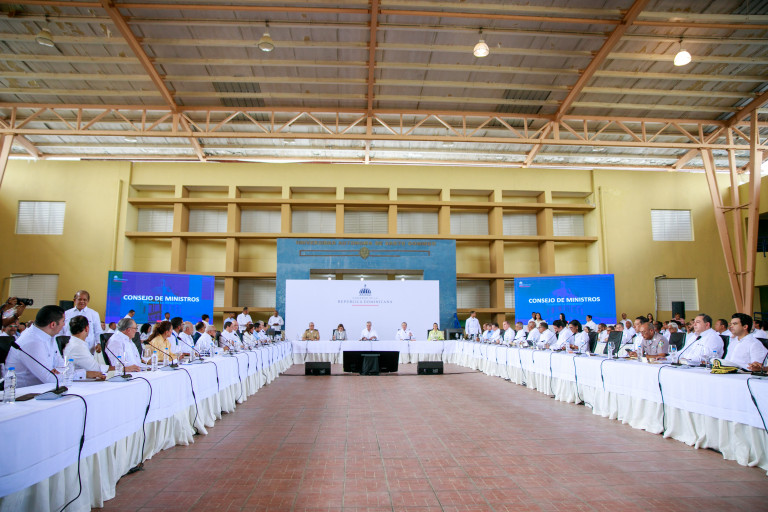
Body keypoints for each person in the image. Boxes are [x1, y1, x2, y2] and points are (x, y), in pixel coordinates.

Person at [5, 305, 67, 388]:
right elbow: (50, 379)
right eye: (63, 321)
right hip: (23, 393)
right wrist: (75, 375)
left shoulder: (50, 335)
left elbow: (61, 365)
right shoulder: (32, 341)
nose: (64, 324)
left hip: (43, 388)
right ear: (53, 324)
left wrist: (59, 372)